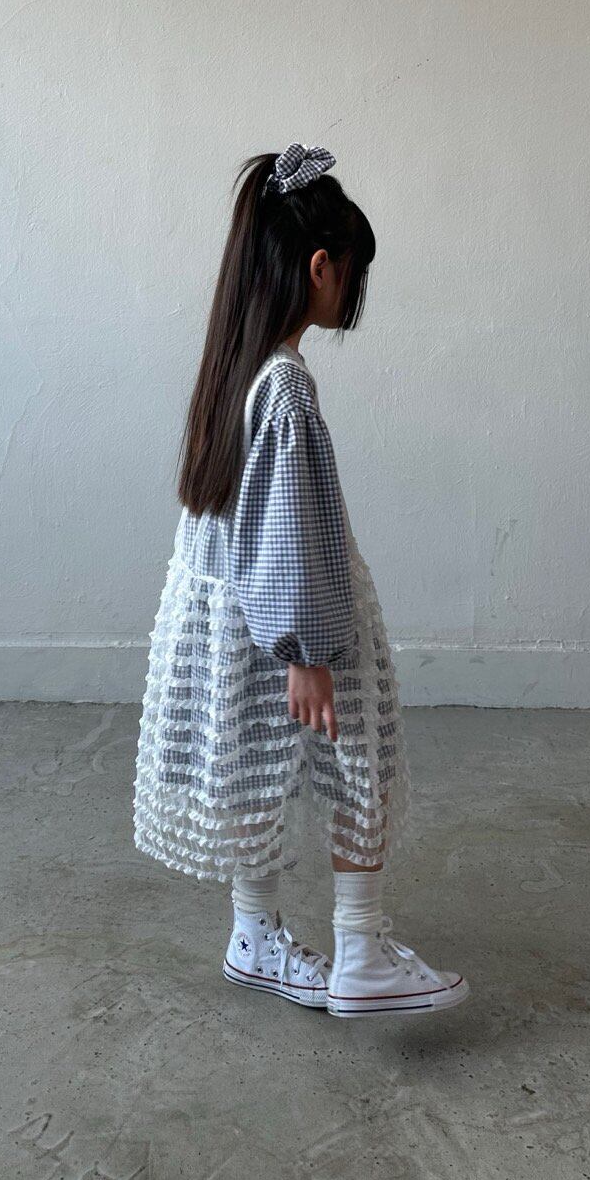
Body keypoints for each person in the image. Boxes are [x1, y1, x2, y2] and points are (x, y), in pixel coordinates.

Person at [133, 144, 469, 1018]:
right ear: (321, 266)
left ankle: (254, 936)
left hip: (231, 620)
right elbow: (290, 526)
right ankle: (361, 950)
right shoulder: (285, 388)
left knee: (255, 772)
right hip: (296, 624)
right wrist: (309, 650)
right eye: (351, 272)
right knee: (359, 760)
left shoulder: (234, 367)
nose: (352, 291)